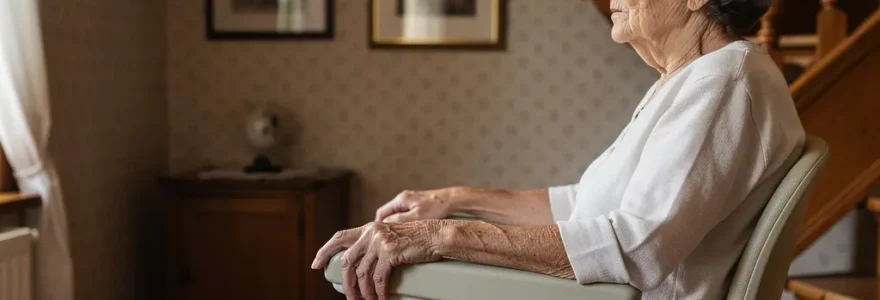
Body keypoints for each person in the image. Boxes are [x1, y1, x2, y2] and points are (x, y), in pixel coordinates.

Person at [311, 0, 805, 299]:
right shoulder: (689, 79)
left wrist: (440, 236)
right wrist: (452, 199)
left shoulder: (722, 82)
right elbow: (583, 205)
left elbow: (635, 246)